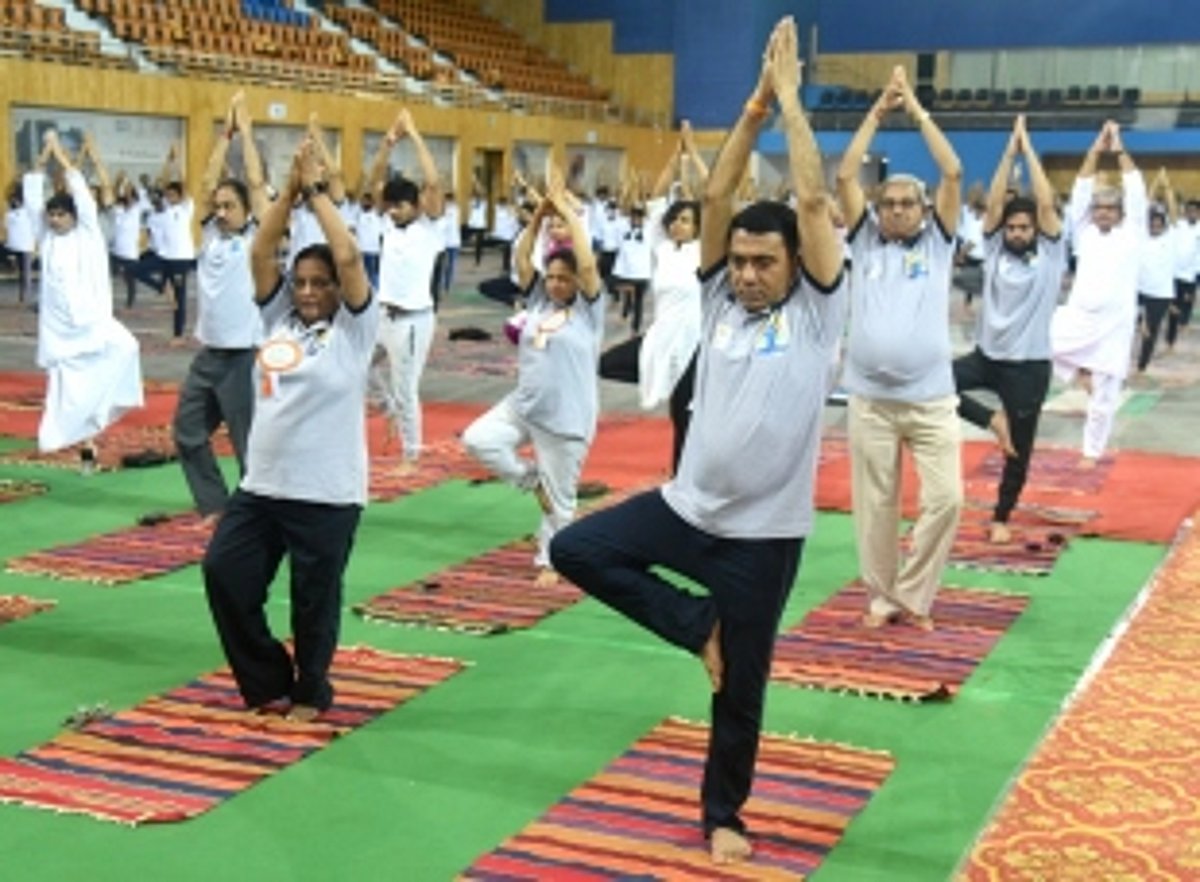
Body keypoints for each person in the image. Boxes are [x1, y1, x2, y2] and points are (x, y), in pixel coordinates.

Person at [550, 18, 846, 867]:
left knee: (740, 688)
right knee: (575, 549)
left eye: (764, 262)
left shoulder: (818, 311)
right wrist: (752, 109)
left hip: (763, 537)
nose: (747, 273)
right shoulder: (718, 298)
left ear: (793, 265)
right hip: (686, 510)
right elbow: (715, 200)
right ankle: (694, 621)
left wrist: (791, 104)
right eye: (740, 261)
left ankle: (725, 814)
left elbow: (814, 204)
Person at [202, 138, 375, 723]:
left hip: (326, 493)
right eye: (300, 282)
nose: (306, 291)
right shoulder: (279, 318)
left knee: (313, 601)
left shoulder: (354, 331)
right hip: (263, 486)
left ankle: (310, 691)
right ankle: (265, 679)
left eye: (319, 283)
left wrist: (318, 194)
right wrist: (289, 193)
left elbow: (348, 257)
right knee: (224, 574)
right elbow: (260, 251)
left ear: (338, 290)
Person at [836, 64, 964, 629]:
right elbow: (845, 174)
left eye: (907, 203)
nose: (896, 211)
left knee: (948, 499)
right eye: (888, 203)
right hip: (870, 399)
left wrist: (914, 109)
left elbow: (953, 170)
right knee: (876, 506)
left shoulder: (938, 243)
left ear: (924, 209)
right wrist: (876, 113)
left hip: (931, 398)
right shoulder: (864, 240)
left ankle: (913, 592)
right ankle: (883, 596)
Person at [462, 168, 605, 587]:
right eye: (553, 277)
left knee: (561, 501)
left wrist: (569, 215)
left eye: (565, 278)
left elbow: (587, 262)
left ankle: (553, 561)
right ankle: (530, 480)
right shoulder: (539, 299)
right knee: (478, 439)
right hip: (524, 406)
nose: (557, 284)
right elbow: (522, 258)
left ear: (578, 281)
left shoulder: (589, 310)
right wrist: (541, 213)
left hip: (566, 416)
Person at [953, 115, 1066, 544]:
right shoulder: (996, 246)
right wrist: (1008, 152)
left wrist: (1029, 150)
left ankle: (1001, 516)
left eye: (1024, 228)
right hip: (987, 357)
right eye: (1012, 227)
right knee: (931, 382)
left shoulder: (1052, 254)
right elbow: (996, 203)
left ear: (1036, 229)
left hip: (1028, 367)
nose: (1017, 232)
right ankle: (990, 419)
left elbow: (1046, 203)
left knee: (1019, 449)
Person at [172, 92, 270, 523]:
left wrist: (245, 134)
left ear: (247, 211)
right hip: (209, 355)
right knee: (188, 432)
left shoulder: (257, 238)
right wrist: (223, 135)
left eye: (231, 206)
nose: (223, 211)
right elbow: (206, 185)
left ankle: (257, 515)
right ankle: (214, 505)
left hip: (243, 356)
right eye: (220, 206)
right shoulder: (209, 236)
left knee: (248, 445)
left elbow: (256, 184)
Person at [27, 131, 143, 463]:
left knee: (127, 348)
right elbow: (33, 193)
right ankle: (84, 443)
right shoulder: (46, 238)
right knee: (67, 387)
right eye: (51, 215)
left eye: (60, 215)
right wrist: (43, 155)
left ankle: (97, 420)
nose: (54, 220)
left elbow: (80, 191)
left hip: (93, 323)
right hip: (60, 330)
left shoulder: (89, 234)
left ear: (74, 216)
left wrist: (60, 154)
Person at [1050, 120, 1146, 467]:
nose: (1103, 212)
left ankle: (1091, 452)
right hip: (1079, 315)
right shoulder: (1083, 232)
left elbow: (1136, 190)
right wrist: (1095, 150)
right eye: (1099, 208)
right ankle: (1079, 372)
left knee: (1106, 394)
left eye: (1110, 208)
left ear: (1120, 213)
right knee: (1041, 340)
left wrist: (1118, 149)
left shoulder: (1133, 233)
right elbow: (1081, 188)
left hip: (1115, 323)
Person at [365, 108, 444, 471]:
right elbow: (374, 181)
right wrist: (388, 143)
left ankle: (411, 454)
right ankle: (389, 409)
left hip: (413, 321)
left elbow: (433, 182)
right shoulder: (388, 224)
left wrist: (413, 134)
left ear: (415, 205)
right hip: (383, 314)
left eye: (399, 206)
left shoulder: (430, 227)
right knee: (359, 367)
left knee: (406, 388)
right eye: (390, 206)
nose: (393, 211)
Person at [1135, 169, 1179, 373]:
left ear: (1164, 224)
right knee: (1127, 325)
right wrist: (1153, 184)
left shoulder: (1171, 238)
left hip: (1160, 294)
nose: (1155, 226)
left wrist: (1167, 186)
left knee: (1150, 331)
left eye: (1159, 223)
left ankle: (1141, 366)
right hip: (1137, 290)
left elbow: (1173, 211)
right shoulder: (1141, 236)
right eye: (1152, 223)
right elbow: (1144, 205)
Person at [4, 179, 36, 305]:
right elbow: (6, 227)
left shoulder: (27, 208)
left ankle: (24, 297)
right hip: (14, 243)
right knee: (24, 271)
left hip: (24, 245)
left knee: (25, 271)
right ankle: (24, 296)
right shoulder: (10, 211)